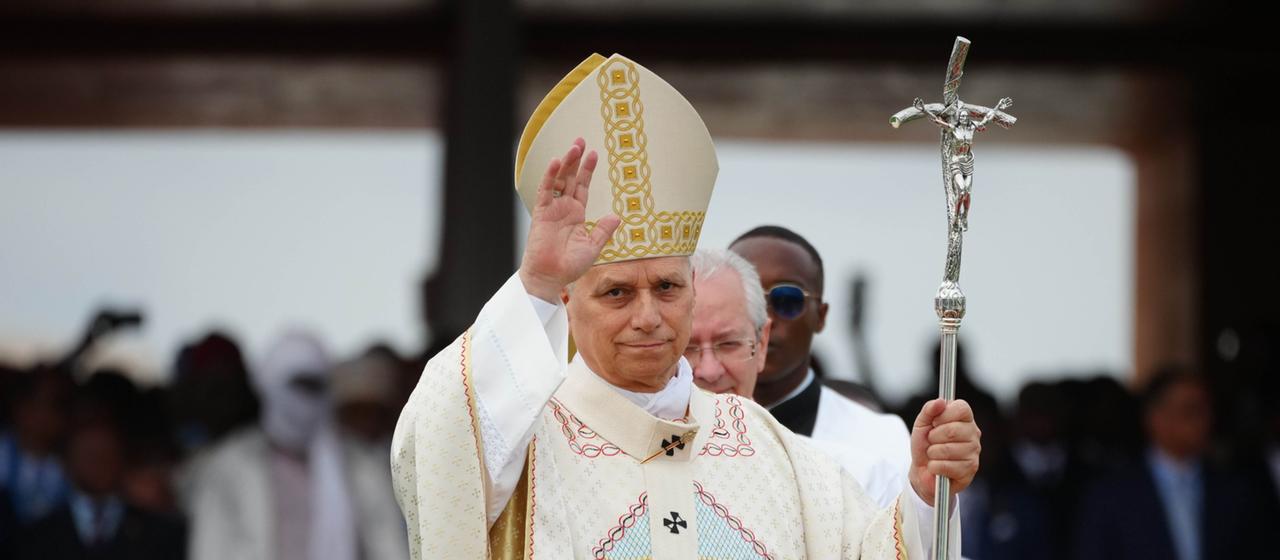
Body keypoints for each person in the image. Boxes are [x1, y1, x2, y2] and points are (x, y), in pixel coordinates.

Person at [391, 52, 981, 559]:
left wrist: (928, 496)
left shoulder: (764, 444)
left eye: (668, 288)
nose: (648, 315)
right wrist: (536, 282)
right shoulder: (524, 438)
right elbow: (437, 449)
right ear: (570, 302)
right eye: (617, 292)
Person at [728, 226, 913, 506]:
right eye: (745, 299)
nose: (763, 319)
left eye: (786, 300)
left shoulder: (881, 441)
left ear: (821, 316)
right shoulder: (680, 424)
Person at [187, 330, 404, 560]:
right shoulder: (228, 468)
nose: (305, 400)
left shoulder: (362, 468)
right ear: (269, 385)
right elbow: (210, 548)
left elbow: (388, 545)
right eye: (298, 385)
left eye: (315, 386)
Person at [1073, 366, 1265, 559]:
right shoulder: (1110, 496)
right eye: (1191, 411)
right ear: (1156, 419)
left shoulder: (1234, 491)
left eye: (1208, 409)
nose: (1206, 420)